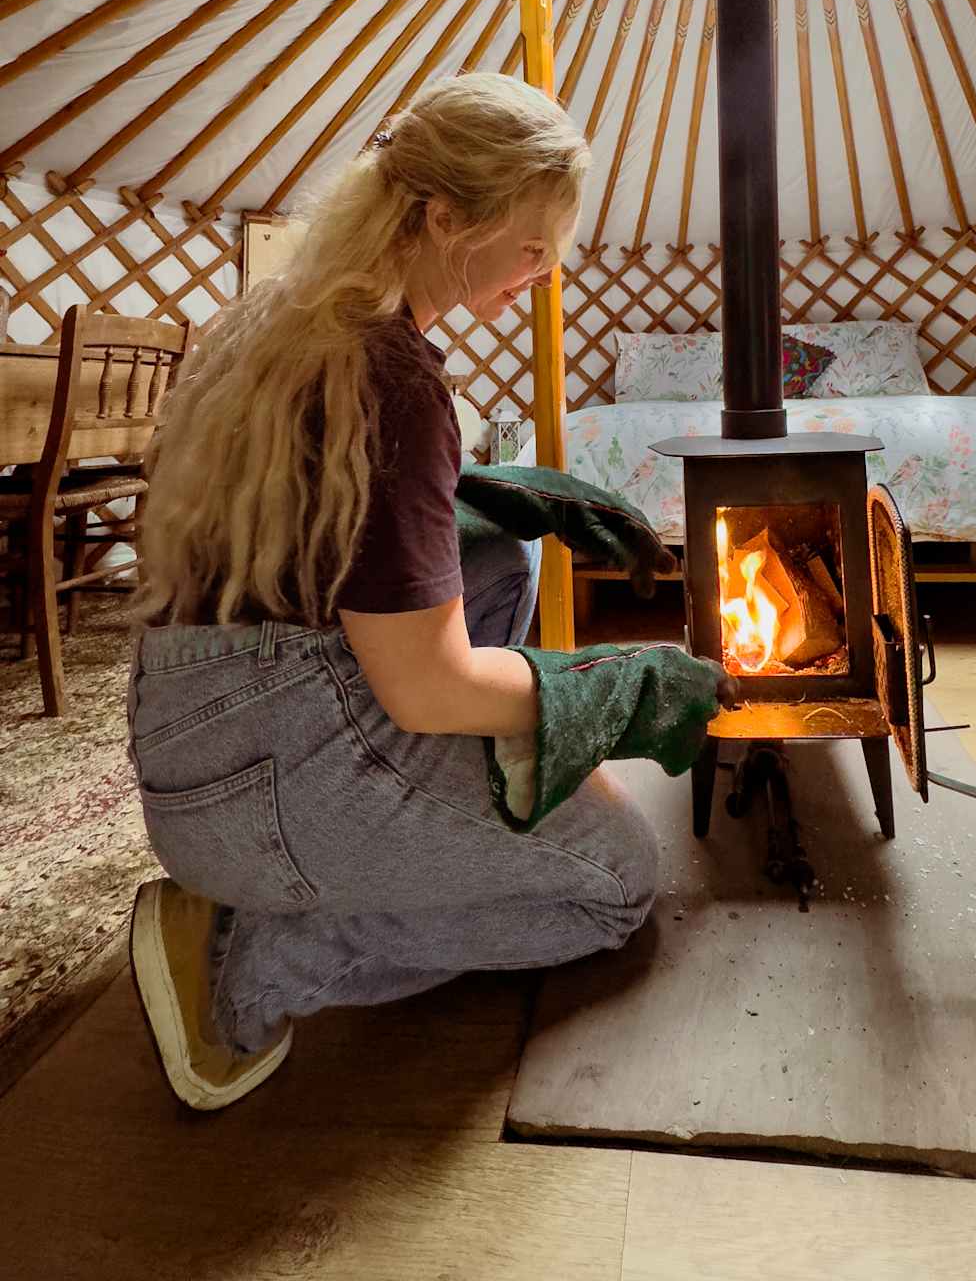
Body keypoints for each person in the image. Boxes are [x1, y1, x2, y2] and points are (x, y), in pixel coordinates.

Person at [126, 75, 672, 1112]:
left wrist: (468, 496)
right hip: (273, 792)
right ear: (442, 218)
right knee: (615, 880)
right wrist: (613, 692)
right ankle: (254, 964)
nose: (545, 275)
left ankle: (361, 840)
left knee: (500, 561)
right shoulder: (396, 378)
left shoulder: (281, 321)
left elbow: (326, 526)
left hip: (194, 743)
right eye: (531, 246)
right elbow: (427, 689)